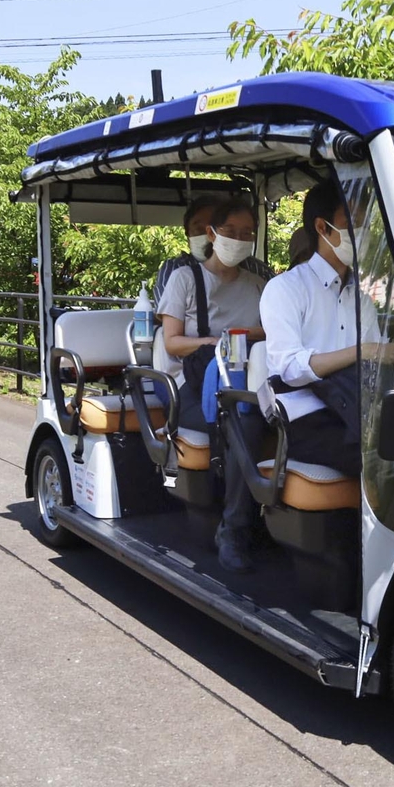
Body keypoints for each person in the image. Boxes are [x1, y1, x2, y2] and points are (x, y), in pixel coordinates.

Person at [260, 183, 394, 478]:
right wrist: (361, 352)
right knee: (384, 464)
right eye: (351, 223)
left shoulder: (361, 300)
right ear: (322, 228)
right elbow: (289, 368)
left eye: (365, 224)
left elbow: (374, 369)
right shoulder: (285, 289)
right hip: (304, 416)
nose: (361, 232)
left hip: (352, 412)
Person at [156, 197, 266, 572]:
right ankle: (234, 529)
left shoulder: (260, 284)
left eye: (247, 233)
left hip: (253, 380)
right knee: (241, 424)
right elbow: (172, 342)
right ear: (211, 234)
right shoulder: (185, 279)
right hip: (197, 383)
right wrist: (212, 342)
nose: (240, 239)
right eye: (232, 232)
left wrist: (242, 335)